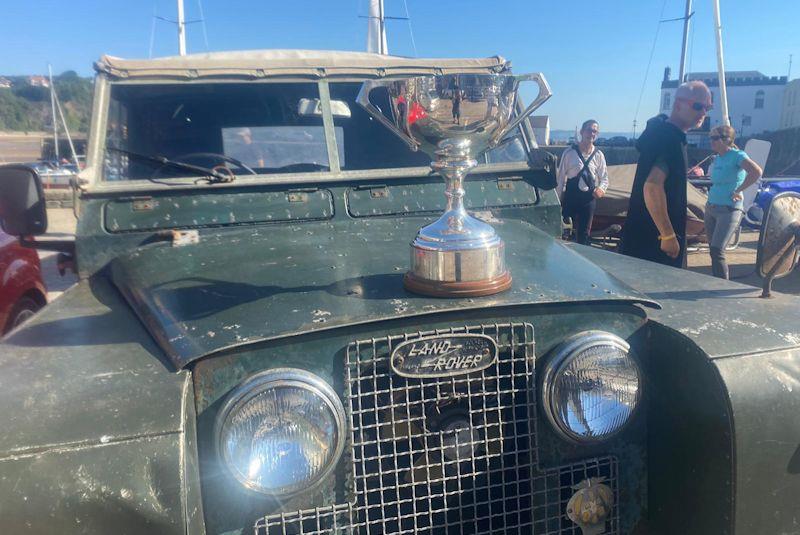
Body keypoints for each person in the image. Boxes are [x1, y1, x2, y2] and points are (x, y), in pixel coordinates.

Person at [621, 80, 712, 267]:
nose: (703, 112)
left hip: (639, 237)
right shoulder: (670, 139)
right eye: (698, 106)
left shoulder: (658, 133)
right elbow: (653, 186)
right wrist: (668, 235)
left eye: (707, 108)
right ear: (678, 105)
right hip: (655, 244)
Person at [704, 125, 763, 279]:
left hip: (729, 209)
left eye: (715, 138)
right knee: (712, 249)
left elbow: (756, 172)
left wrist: (739, 190)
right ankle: (716, 280)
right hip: (711, 207)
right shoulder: (717, 158)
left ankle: (723, 284)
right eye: (710, 138)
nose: (712, 141)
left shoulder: (737, 155)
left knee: (717, 250)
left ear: (726, 140)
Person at [556, 119, 609, 245]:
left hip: (588, 200)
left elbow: (605, 178)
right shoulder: (569, 153)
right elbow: (560, 178)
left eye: (595, 131)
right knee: (565, 233)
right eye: (589, 130)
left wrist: (601, 189)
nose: (592, 134)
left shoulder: (599, 155)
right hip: (571, 198)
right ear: (581, 132)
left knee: (584, 235)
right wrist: (557, 202)